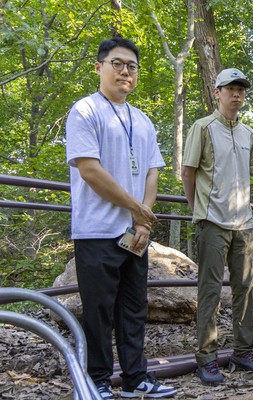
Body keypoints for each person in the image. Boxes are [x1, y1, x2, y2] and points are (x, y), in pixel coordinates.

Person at [65, 38, 177, 399]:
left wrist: (142, 222)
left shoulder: (142, 119)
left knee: (133, 308)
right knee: (97, 311)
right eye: (117, 63)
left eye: (132, 66)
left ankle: (135, 378)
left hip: (134, 234)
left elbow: (152, 171)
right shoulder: (85, 110)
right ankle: (97, 381)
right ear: (99, 67)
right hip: (95, 230)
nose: (125, 71)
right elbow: (89, 170)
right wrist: (136, 207)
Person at [181, 68, 253, 385]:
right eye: (230, 89)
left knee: (246, 288)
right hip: (212, 222)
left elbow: (246, 175)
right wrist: (197, 211)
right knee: (211, 290)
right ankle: (206, 357)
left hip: (243, 223)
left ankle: (244, 350)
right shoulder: (202, 128)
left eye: (241, 90)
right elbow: (188, 173)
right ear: (216, 92)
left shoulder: (249, 134)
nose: (236, 94)